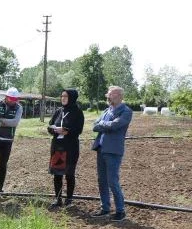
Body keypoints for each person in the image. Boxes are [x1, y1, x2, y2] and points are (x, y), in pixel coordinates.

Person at [91, 86, 132, 221]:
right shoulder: (106, 110)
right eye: (108, 95)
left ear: (120, 96)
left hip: (113, 150)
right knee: (102, 180)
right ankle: (105, 208)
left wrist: (102, 124)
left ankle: (120, 211)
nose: (108, 97)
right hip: (101, 148)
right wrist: (105, 124)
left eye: (111, 95)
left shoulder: (126, 111)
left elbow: (115, 125)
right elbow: (95, 126)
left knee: (112, 181)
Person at [47, 89, 84, 208]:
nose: (63, 98)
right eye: (62, 96)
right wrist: (54, 130)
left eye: (65, 96)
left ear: (72, 98)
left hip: (70, 148)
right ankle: (58, 200)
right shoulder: (59, 111)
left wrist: (67, 131)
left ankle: (69, 199)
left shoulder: (77, 112)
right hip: (57, 147)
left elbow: (79, 130)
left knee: (69, 174)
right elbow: (49, 126)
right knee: (57, 174)